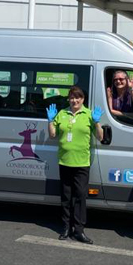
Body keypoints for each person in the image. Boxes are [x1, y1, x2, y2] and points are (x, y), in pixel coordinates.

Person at [47, 86, 103, 244]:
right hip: (64, 161)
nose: (74, 100)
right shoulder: (62, 113)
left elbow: (100, 137)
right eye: (72, 97)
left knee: (80, 197)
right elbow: (52, 135)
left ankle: (78, 230)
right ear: (68, 99)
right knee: (65, 197)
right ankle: (65, 228)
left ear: (83, 99)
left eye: (78, 97)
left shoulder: (89, 114)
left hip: (82, 163)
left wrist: (97, 123)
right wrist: (51, 121)